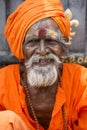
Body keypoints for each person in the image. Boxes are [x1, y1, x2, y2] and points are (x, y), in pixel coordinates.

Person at [0, 0, 87, 130]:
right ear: (21, 47)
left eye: (50, 41)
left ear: (62, 47)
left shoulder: (82, 81)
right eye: (33, 42)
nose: (42, 50)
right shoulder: (2, 81)